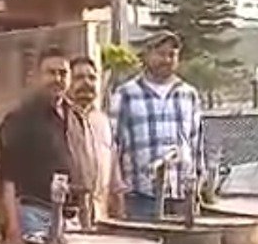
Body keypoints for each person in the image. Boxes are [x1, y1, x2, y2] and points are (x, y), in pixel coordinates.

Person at [110, 32, 204, 221]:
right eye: (161, 54)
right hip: (140, 197)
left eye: (172, 55)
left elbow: (196, 145)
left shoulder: (188, 94)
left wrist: (199, 185)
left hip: (181, 197)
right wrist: (115, 192)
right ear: (147, 55)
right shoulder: (126, 94)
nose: (166, 60)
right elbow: (113, 146)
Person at [0, 46, 80, 244]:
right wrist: (13, 226)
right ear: (36, 77)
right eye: (51, 73)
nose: (57, 78)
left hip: (71, 219)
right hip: (34, 217)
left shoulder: (75, 117)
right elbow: (7, 178)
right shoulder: (20, 119)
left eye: (63, 73)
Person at [68, 55, 123, 222]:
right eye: (79, 78)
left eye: (92, 78)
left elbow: (114, 176)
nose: (86, 83)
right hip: (71, 218)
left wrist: (119, 213)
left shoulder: (103, 121)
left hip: (101, 216)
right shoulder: (61, 119)